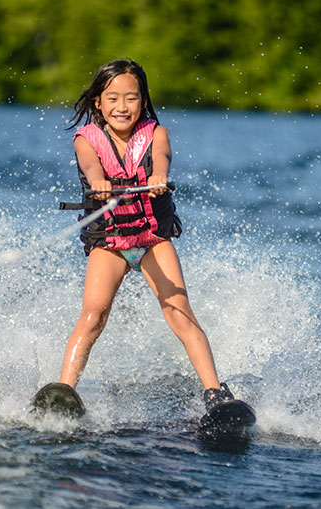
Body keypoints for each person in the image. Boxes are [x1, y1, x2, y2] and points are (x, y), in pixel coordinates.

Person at [47, 59, 239, 413]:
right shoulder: (85, 139)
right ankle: (63, 390)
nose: (123, 107)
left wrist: (159, 176)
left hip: (151, 239)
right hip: (111, 241)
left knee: (179, 310)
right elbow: (91, 164)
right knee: (94, 315)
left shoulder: (156, 133)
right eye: (113, 98)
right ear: (97, 103)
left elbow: (161, 157)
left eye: (132, 98)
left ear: (144, 100)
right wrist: (98, 181)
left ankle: (215, 394)